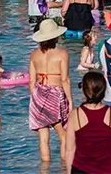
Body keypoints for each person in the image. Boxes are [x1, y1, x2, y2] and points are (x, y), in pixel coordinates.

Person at [64, 71, 111, 174]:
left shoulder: (75, 114)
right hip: (110, 170)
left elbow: (69, 149)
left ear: (84, 90)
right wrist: (108, 143)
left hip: (81, 169)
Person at [29, 18, 71, 163]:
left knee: (43, 138)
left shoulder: (34, 55)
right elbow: (65, 79)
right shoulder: (62, 54)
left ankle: (45, 169)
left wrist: (34, 98)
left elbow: (31, 81)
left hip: (38, 93)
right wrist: (70, 101)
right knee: (63, 134)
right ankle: (65, 168)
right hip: (56, 93)